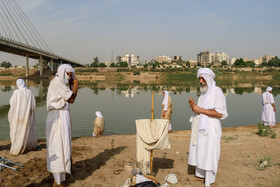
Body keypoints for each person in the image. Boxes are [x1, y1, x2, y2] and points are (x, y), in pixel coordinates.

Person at [188, 68, 228, 187]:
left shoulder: (216, 91)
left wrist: (199, 109)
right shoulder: (204, 93)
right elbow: (201, 110)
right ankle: (200, 175)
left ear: (209, 78)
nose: (200, 81)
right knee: (201, 150)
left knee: (210, 152)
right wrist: (194, 106)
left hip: (211, 128)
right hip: (201, 127)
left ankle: (210, 180)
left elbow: (220, 113)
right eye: (199, 78)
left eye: (202, 78)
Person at [46, 64, 79, 187]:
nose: (70, 77)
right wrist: (75, 86)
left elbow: (70, 97)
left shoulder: (61, 83)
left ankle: (61, 178)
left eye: (71, 75)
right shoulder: (57, 82)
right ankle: (57, 181)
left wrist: (71, 85)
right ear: (62, 72)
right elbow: (71, 99)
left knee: (64, 145)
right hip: (57, 117)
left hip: (62, 117)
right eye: (68, 74)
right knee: (57, 146)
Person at [8, 78, 37, 156]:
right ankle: (28, 145)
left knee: (17, 129)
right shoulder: (30, 92)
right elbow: (33, 105)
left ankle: (18, 147)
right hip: (27, 115)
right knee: (27, 128)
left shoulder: (16, 92)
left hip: (18, 116)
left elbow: (12, 103)